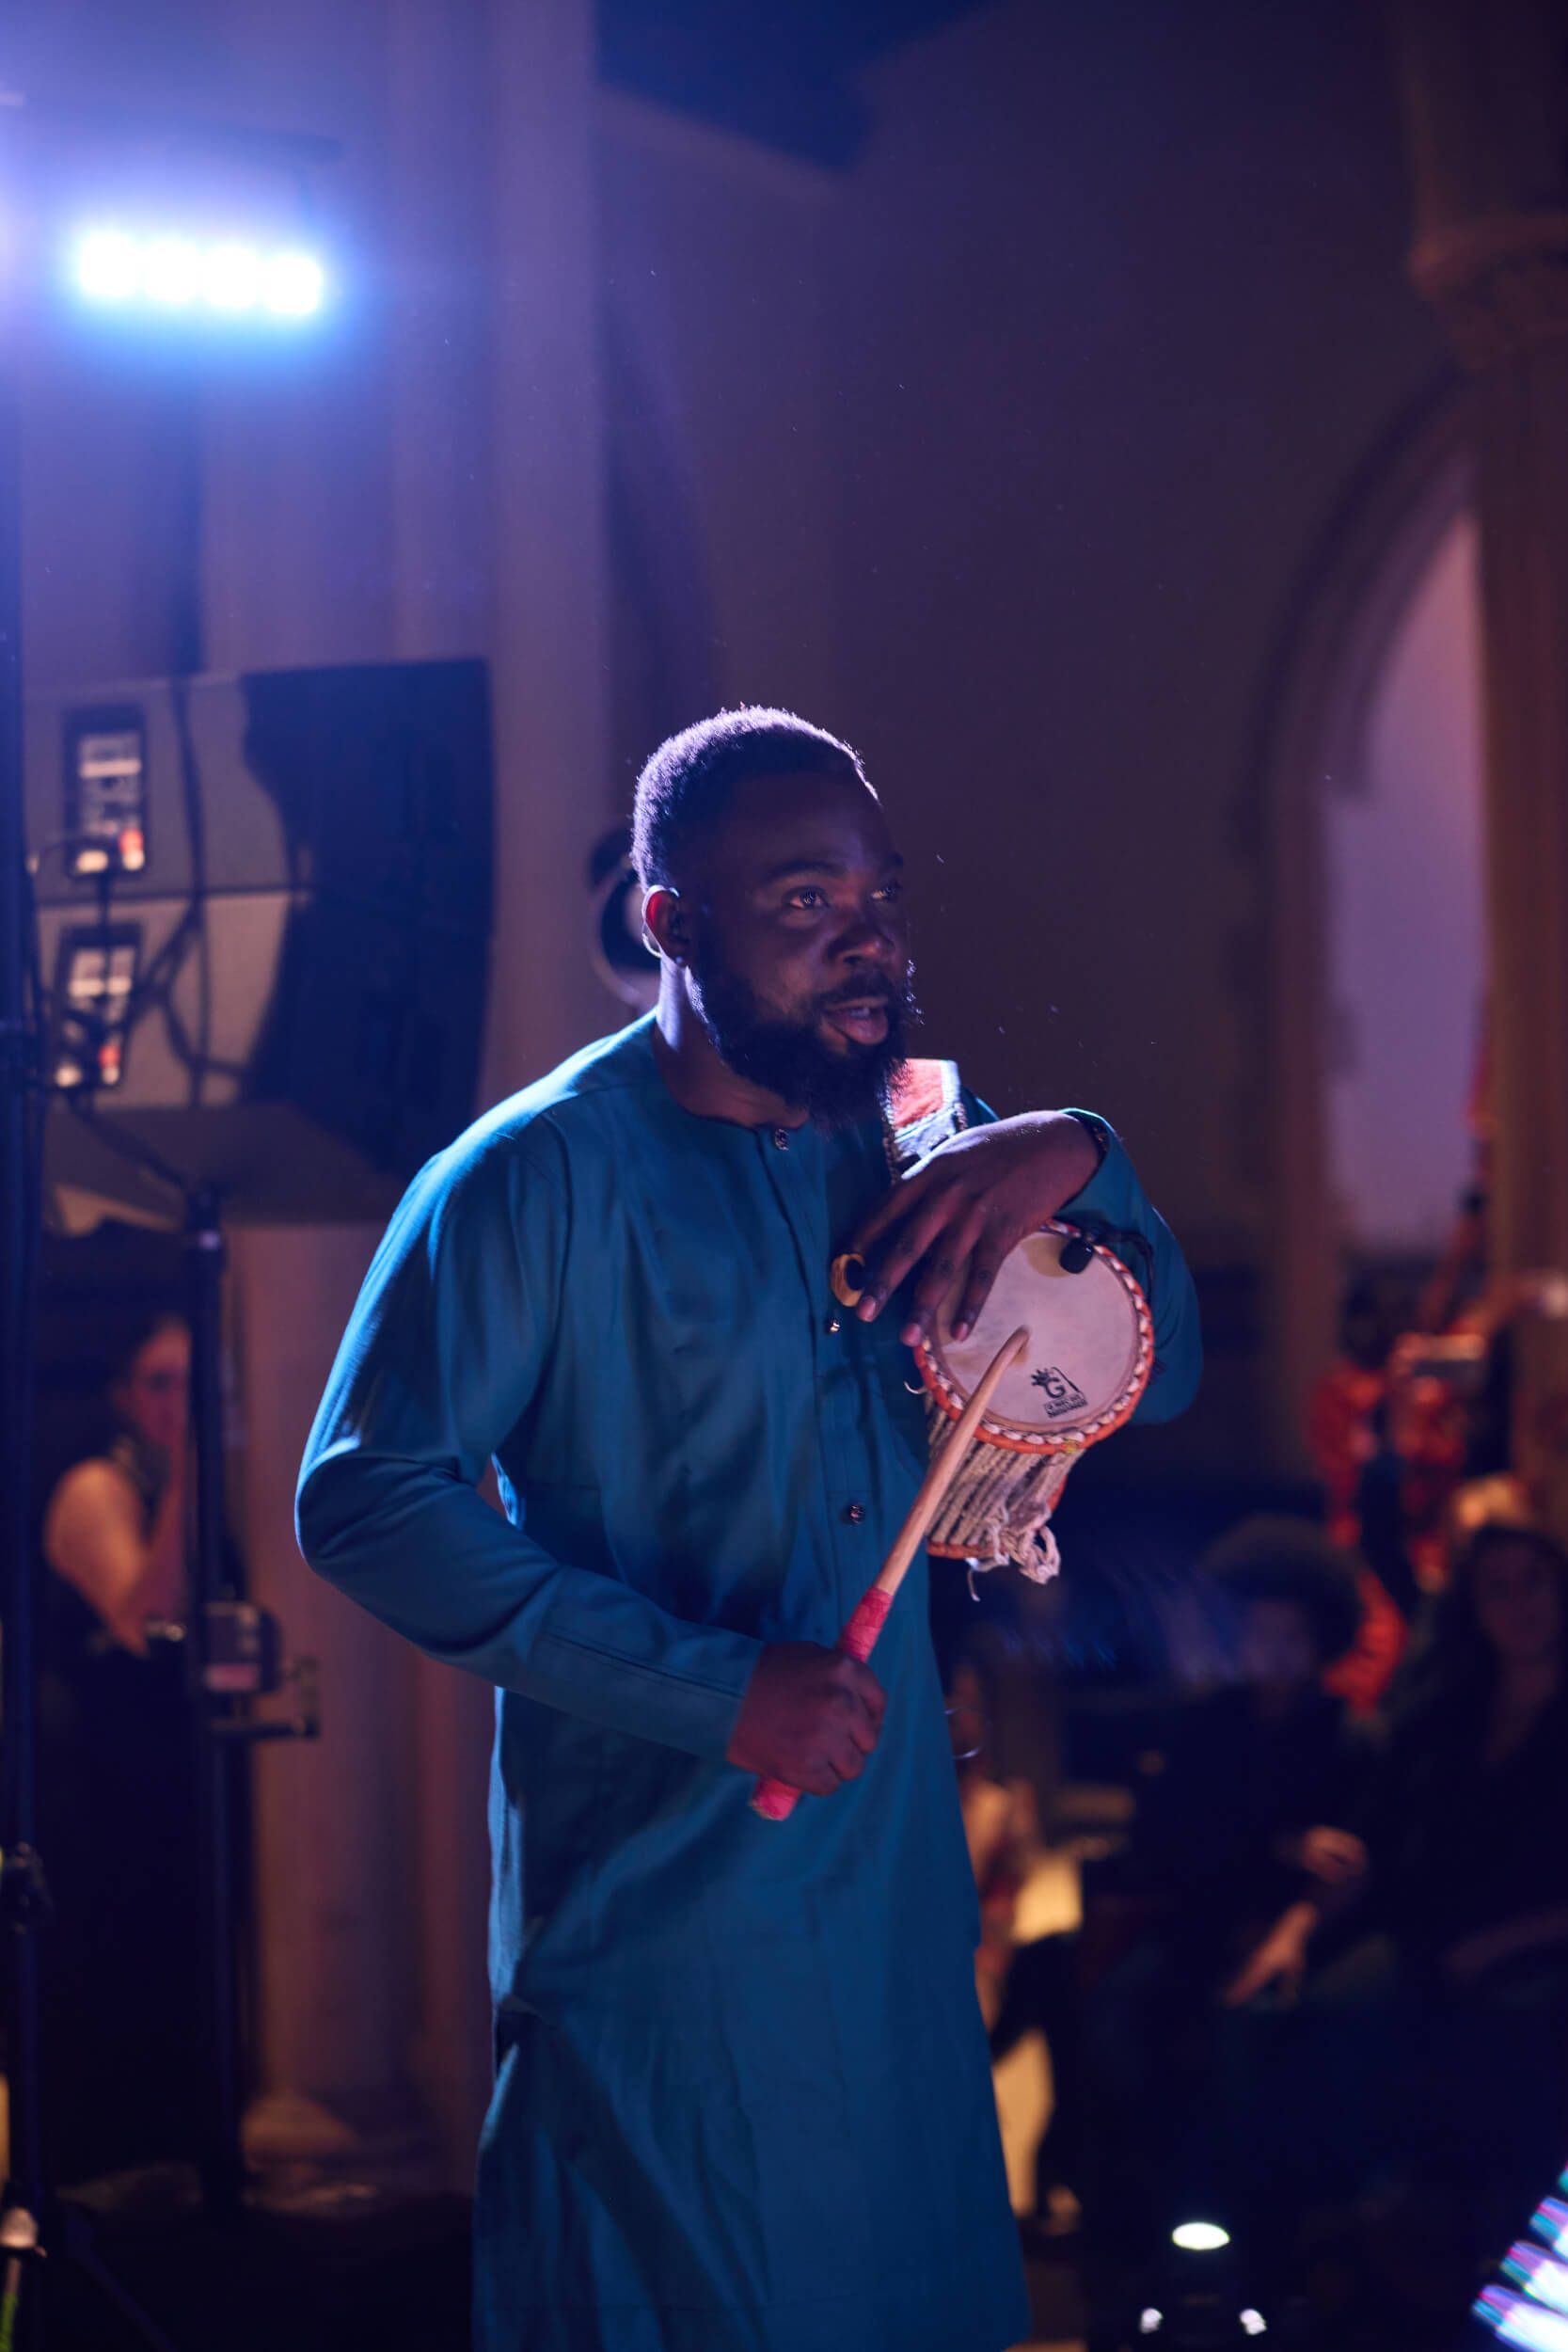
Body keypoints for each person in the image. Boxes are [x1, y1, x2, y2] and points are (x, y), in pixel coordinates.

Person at [295, 707, 1201, 2352]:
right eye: (802, 902)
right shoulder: (530, 1177)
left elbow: (1165, 1359)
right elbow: (363, 1498)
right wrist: (716, 1688)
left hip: (897, 1910)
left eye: (879, 894)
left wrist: (1082, 1156)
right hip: (663, 1923)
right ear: (669, 924)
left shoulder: (917, 1136)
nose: (867, 940)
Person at [38, 1310, 205, 2185]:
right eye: (160, 1383)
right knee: (115, 1991)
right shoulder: (98, 1487)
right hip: (102, 1798)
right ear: (123, 1397)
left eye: (194, 1380)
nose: (180, 1402)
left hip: (182, 1785)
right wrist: (187, 1472)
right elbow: (148, 1621)